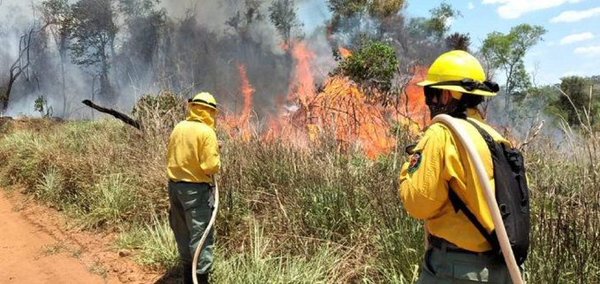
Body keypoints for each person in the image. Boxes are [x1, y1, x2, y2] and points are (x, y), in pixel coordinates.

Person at [398, 50, 514, 283]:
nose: (430, 102)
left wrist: (406, 173)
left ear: (449, 95)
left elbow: (418, 203)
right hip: (501, 269)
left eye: (432, 94)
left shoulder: (443, 133)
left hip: (456, 270)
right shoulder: (497, 138)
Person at [167, 92, 220, 284]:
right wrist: (215, 154)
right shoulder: (207, 132)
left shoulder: (179, 127)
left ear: (193, 107)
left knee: (182, 231)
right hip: (195, 191)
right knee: (201, 234)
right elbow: (210, 167)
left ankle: (187, 277)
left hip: (174, 188)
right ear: (210, 111)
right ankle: (201, 279)